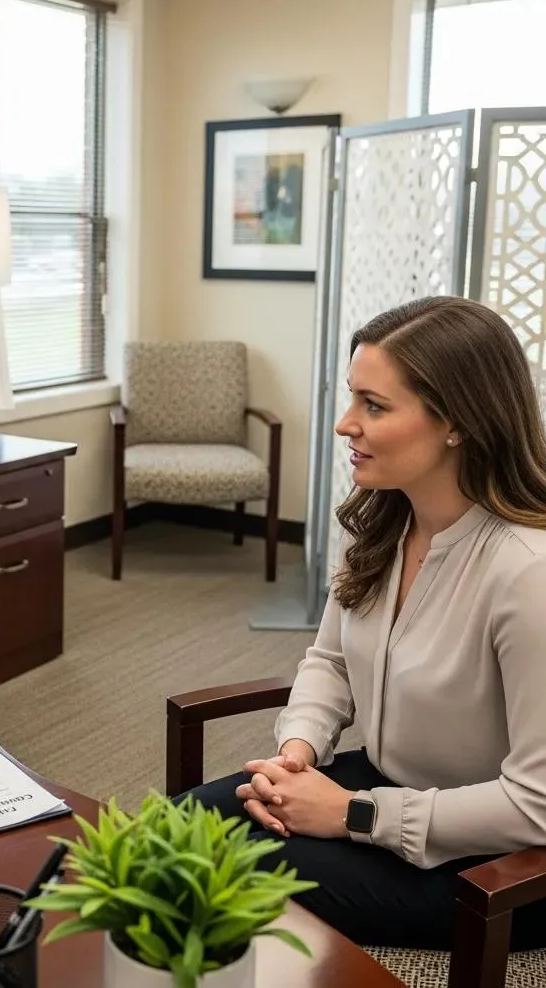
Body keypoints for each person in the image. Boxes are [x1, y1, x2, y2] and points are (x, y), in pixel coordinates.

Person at [185, 296, 546, 949]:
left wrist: (352, 813)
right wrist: (296, 753)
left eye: (374, 406)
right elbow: (330, 663)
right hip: (384, 790)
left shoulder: (528, 571)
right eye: (353, 397)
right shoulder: (382, 521)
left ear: (458, 422)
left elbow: (536, 804)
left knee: (207, 872)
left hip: (498, 861)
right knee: (174, 828)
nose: (344, 423)